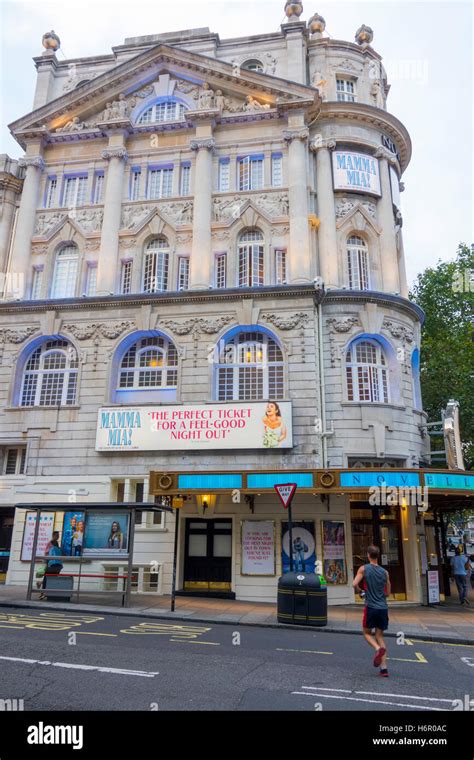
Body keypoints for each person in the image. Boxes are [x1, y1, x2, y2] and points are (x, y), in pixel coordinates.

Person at [353, 545, 391, 678]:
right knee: (380, 636)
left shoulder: (363, 569)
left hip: (371, 607)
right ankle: (384, 669)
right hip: (383, 608)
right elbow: (388, 593)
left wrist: (360, 591)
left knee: (367, 633)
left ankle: (377, 649)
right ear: (378, 556)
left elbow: (354, 584)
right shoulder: (385, 572)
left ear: (368, 555)